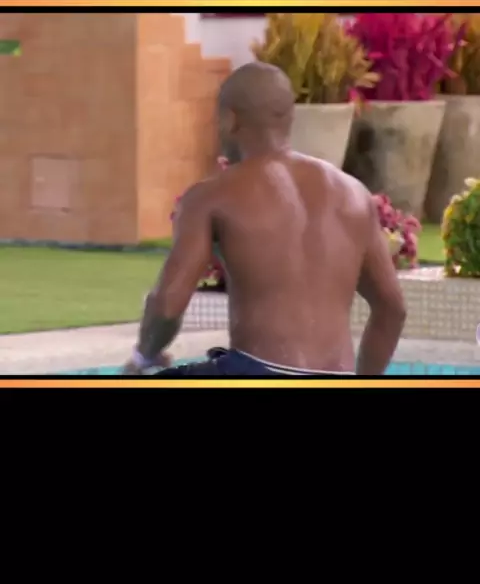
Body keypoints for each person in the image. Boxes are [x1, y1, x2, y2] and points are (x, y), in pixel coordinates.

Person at [122, 62, 406, 377]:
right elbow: (392, 310)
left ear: (230, 120)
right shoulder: (354, 193)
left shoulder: (211, 196)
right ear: (288, 119)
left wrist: (143, 357)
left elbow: (166, 306)